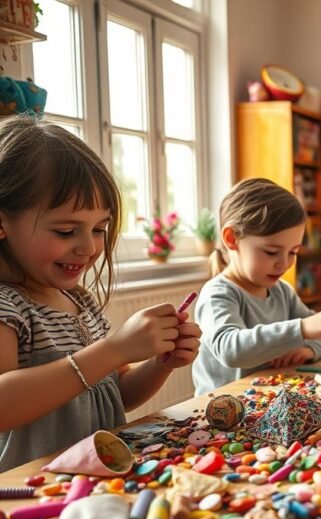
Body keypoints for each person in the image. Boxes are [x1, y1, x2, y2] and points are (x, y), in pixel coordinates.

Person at [0, 116, 200, 472]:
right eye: (65, 231)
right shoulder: (7, 307)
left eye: (100, 229)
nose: (89, 247)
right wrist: (115, 349)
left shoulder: (81, 301)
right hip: (32, 498)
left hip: (93, 480)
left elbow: (116, 393)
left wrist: (159, 364)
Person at [192, 178, 321, 395]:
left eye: (293, 252)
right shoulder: (218, 293)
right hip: (221, 412)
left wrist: (308, 349)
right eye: (272, 252)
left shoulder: (282, 291)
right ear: (232, 238)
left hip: (268, 404)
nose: (284, 263)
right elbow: (230, 350)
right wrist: (301, 329)